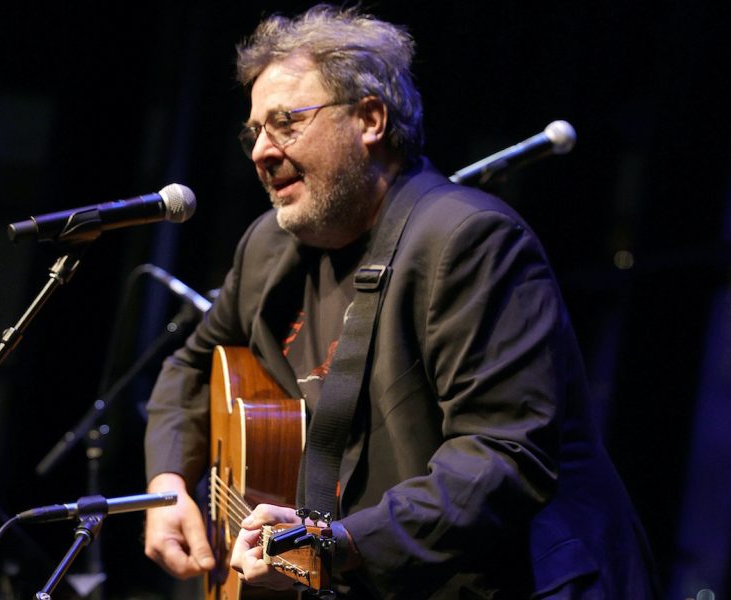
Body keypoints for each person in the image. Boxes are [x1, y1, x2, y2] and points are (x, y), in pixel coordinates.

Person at [143, 5, 658, 598]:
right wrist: (170, 485)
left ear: (370, 119)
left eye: (286, 123)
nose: (261, 150)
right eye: (254, 130)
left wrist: (335, 545)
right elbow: (189, 365)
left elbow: (501, 455)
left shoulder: (466, 240)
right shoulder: (267, 248)